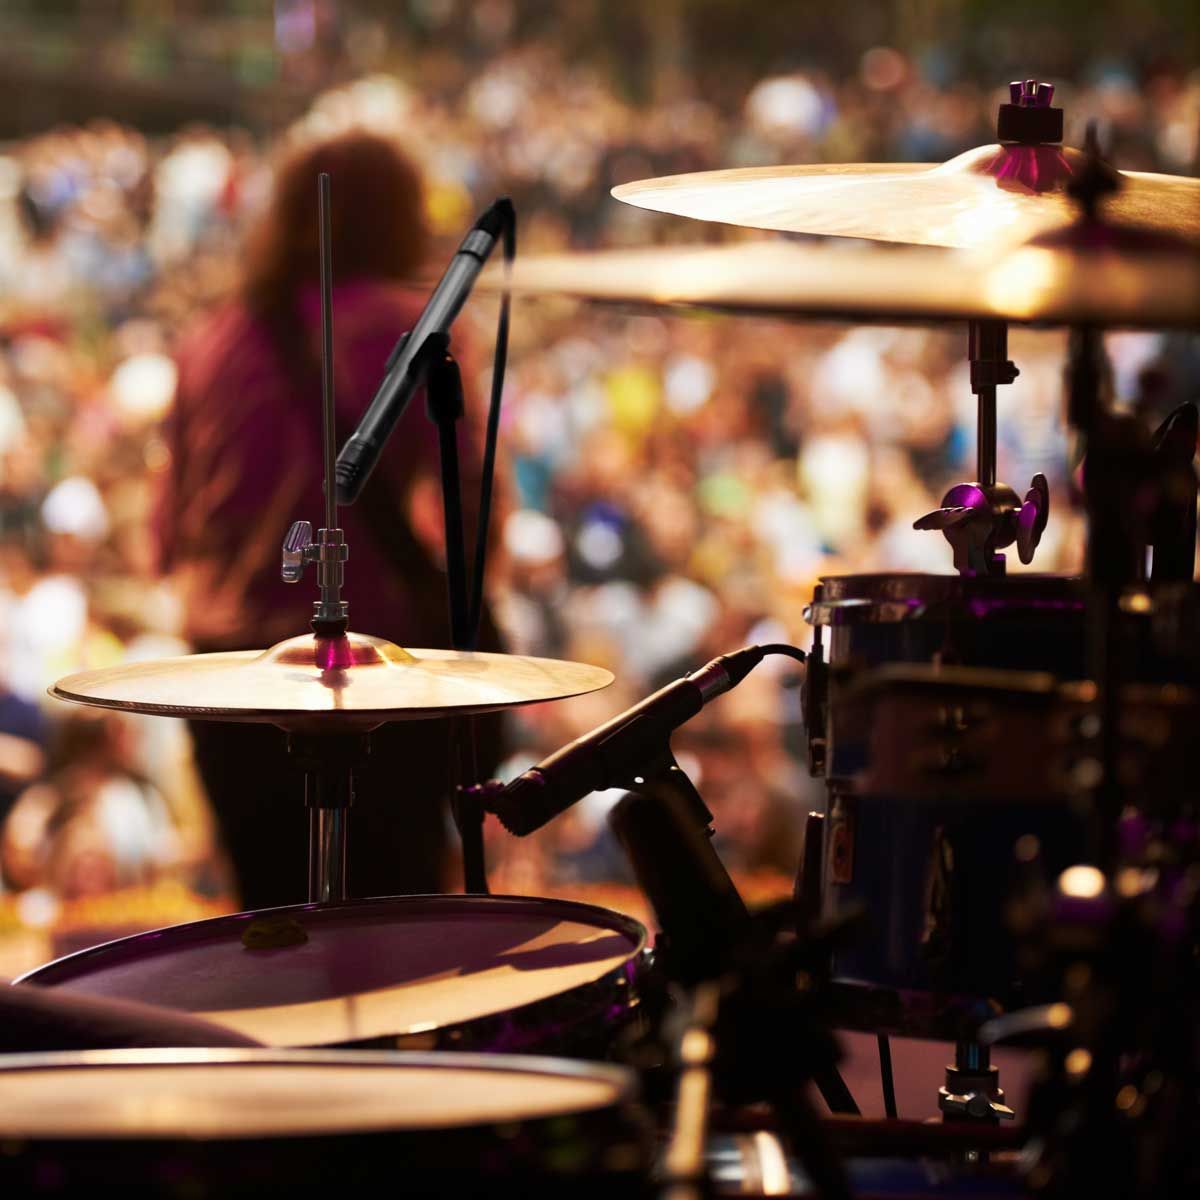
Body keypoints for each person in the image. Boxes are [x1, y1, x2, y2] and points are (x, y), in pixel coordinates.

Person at [155, 130, 504, 909]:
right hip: (365, 677)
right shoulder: (411, 330)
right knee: (392, 921)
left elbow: (169, 535)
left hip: (228, 681)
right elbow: (477, 517)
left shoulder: (210, 342)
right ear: (400, 216)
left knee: (268, 925)